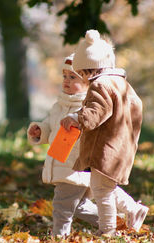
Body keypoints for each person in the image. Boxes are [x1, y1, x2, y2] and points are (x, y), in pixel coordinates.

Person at [61, 29, 149, 236]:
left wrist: (77, 118)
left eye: (81, 73)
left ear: (87, 69)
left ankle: (107, 231)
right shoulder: (121, 83)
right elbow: (135, 108)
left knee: (102, 191)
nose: (82, 78)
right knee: (103, 186)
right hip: (122, 145)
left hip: (106, 148)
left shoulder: (99, 85)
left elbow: (96, 112)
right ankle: (134, 210)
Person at [27, 54, 98, 236]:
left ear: (87, 82)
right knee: (79, 206)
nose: (66, 81)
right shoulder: (58, 105)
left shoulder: (86, 108)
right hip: (61, 162)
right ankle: (112, 220)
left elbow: (90, 132)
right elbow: (51, 125)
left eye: (73, 77)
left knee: (61, 206)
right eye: (64, 76)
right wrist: (40, 131)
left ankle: (59, 236)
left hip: (73, 166)